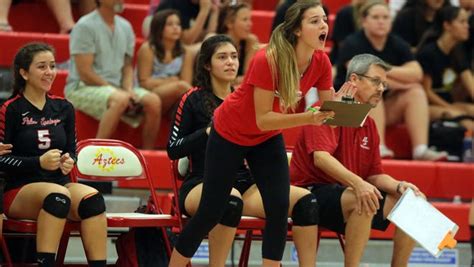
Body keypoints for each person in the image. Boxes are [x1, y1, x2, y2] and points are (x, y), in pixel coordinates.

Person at [167, 1, 339, 266]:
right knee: (211, 212)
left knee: (279, 207)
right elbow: (263, 118)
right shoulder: (267, 58)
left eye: (324, 19)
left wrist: (346, 104)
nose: (323, 25)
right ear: (296, 29)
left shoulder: (321, 61)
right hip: (230, 132)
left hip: (266, 138)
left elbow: (328, 111)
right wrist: (309, 117)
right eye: (314, 20)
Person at [291, 53, 420, 267]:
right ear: (353, 80)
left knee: (412, 202)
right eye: (375, 81)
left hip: (346, 192)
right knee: (363, 198)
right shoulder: (325, 111)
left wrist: (399, 186)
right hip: (309, 193)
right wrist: (359, 184)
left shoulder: (368, 124)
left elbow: (374, 174)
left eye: (384, 84)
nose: (381, 88)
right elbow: (321, 159)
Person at [0, 43, 107, 267]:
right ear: (24, 73)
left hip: (60, 182)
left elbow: (72, 149)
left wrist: (70, 161)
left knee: (93, 201)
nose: (49, 72)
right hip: (20, 189)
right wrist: (37, 162)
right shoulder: (10, 109)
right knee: (57, 197)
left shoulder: (64, 107)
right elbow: (1, 159)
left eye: (52, 65)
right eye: (41, 67)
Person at [335, 0, 448, 161]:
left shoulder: (397, 43)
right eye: (376, 17)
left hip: (379, 111)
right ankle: (377, 147)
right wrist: (396, 79)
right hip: (346, 111)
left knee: (415, 90)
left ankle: (420, 149)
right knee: (372, 90)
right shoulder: (352, 43)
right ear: (364, 21)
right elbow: (361, 79)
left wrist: (381, 69)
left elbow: (417, 73)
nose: (381, 21)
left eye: (385, 17)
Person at [66, 0, 161, 150]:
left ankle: (147, 154)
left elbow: (128, 66)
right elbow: (85, 72)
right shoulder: (84, 25)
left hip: (116, 88)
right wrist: (118, 91)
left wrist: (128, 88)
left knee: (153, 101)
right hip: (81, 87)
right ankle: (95, 152)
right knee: (120, 99)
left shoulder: (126, 26)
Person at [416, 5, 474, 131]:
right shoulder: (428, 53)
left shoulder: (458, 52)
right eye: (462, 22)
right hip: (427, 106)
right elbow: (427, 92)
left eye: (467, 22)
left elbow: (470, 84)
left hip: (448, 103)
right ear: (447, 25)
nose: (467, 26)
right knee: (468, 123)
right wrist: (449, 107)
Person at [137, 9, 193, 117]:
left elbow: (186, 83)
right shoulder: (148, 48)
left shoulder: (186, 52)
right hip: (148, 94)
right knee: (180, 87)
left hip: (172, 96)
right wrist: (171, 80)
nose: (176, 27)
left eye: (178, 24)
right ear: (159, 27)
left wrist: (169, 83)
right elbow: (144, 83)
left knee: (183, 92)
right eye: (170, 24)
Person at [216, 3, 259, 84]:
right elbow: (218, 81)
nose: (250, 24)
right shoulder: (216, 44)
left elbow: (249, 77)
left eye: (250, 19)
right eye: (245, 20)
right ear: (229, 23)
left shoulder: (250, 41)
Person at [151, 0, 220, 44]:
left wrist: (214, 11)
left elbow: (209, 36)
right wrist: (204, 11)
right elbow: (186, 41)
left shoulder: (204, 4)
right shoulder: (175, 3)